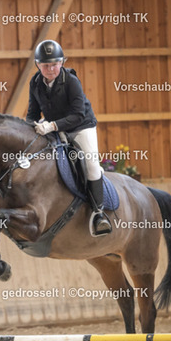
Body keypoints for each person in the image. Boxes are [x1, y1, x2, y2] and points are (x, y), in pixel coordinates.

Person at [26, 39, 112, 236]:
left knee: (91, 164)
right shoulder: (35, 83)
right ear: (38, 65)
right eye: (45, 65)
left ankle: (99, 214)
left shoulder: (71, 81)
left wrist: (51, 126)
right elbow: (32, 113)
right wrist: (32, 126)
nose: (50, 69)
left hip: (81, 127)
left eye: (54, 64)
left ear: (62, 62)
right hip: (53, 128)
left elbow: (78, 114)